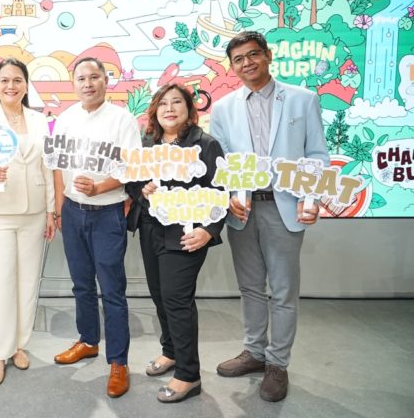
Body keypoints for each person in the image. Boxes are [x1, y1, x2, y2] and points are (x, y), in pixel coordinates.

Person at [210, 31, 329, 402]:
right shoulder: (223, 108)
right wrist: (230, 196)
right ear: (232, 67)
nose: (247, 63)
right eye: (239, 59)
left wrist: (311, 198)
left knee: (282, 290)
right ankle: (254, 352)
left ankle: (277, 363)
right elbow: (220, 162)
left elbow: (317, 155)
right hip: (242, 210)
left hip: (285, 206)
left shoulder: (303, 99)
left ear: (268, 55)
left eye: (253, 55)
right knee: (249, 287)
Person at [126, 84, 225, 403]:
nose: (169, 108)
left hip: (186, 234)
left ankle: (188, 374)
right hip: (150, 228)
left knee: (177, 300)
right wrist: (142, 189)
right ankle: (170, 352)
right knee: (159, 295)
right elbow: (131, 182)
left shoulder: (205, 144)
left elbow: (222, 190)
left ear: (189, 109)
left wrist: (209, 230)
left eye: (177, 102)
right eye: (163, 103)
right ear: (155, 111)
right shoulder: (147, 144)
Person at [51, 57, 141, 398]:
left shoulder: (122, 119)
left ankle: (118, 361)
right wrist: (59, 206)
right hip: (73, 212)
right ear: (73, 84)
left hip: (108, 213)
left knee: (112, 290)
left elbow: (132, 169)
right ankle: (88, 340)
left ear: (106, 80)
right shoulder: (65, 118)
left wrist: (100, 188)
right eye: (81, 79)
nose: (87, 84)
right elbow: (57, 165)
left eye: (94, 77)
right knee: (81, 285)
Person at [0, 58, 55, 385]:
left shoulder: (39, 119)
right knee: (0, 282)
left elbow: (48, 166)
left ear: (26, 85)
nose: (11, 86)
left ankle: (19, 345)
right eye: (4, 80)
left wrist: (51, 210)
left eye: (17, 80)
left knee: (28, 282)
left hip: (34, 212)